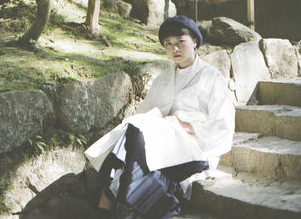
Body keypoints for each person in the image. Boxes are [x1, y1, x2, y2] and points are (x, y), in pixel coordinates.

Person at [85, 15, 235, 219]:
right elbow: (144, 112)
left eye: (181, 42)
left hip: (191, 144)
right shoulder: (163, 78)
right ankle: (122, 207)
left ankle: (106, 208)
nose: (175, 49)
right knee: (135, 130)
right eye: (168, 44)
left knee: (136, 141)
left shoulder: (211, 77)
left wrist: (186, 127)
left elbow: (223, 124)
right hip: (157, 139)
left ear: (195, 42)